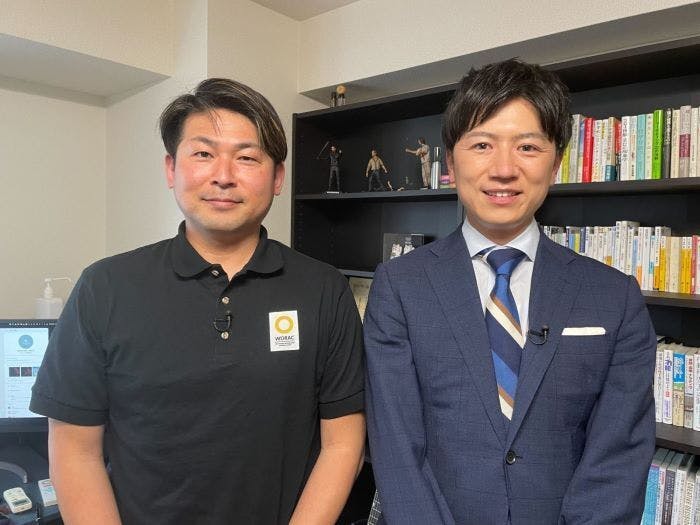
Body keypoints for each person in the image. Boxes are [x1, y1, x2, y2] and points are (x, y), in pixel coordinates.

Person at [30, 78, 366, 525]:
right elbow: (75, 450)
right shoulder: (104, 287)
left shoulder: (324, 289)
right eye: (203, 154)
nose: (223, 176)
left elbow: (343, 443)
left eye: (247, 157)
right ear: (171, 169)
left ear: (277, 177)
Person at [364, 59, 655, 524]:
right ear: (451, 161)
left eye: (527, 147)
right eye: (482, 145)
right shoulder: (399, 286)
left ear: (555, 163)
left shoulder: (614, 297)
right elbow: (397, 446)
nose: (504, 169)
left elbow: (619, 456)